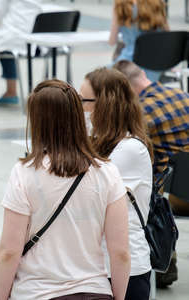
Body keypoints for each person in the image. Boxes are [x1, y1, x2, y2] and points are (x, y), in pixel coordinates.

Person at [0, 79, 130, 300]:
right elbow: (121, 252)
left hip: (36, 292)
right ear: (78, 117)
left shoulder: (24, 173)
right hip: (94, 290)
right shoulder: (107, 171)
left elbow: (9, 251)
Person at [114, 60, 189, 288]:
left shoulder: (139, 113)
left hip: (176, 199)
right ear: (143, 74)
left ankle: (160, 257)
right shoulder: (183, 96)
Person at [81, 67, 154, 300]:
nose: (80, 108)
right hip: (97, 266)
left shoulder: (129, 149)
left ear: (104, 105)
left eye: (84, 101)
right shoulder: (100, 143)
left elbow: (87, 198)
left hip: (124, 269)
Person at [109, 0, 168, 82]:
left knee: (97, 79)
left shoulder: (121, 4)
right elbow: (166, 35)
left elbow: (112, 41)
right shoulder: (157, 3)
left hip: (130, 62)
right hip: (156, 64)